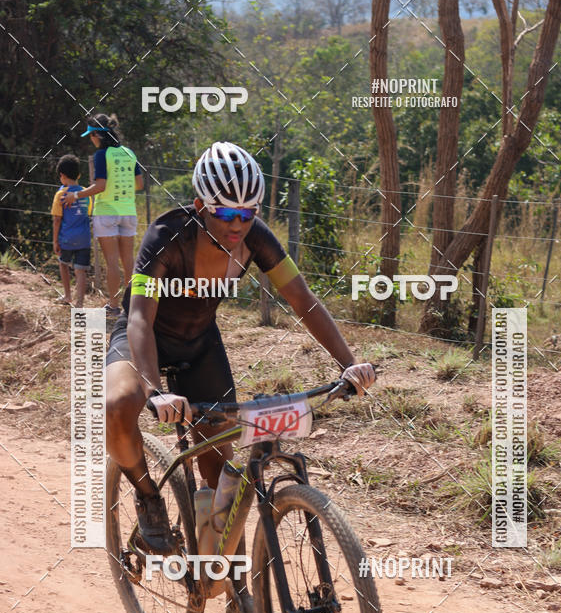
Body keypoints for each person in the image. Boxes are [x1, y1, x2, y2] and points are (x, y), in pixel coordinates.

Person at [106, 141, 376, 555]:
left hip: (198, 344)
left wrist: (350, 364)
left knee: (219, 475)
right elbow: (140, 317)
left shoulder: (257, 240)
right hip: (143, 340)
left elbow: (303, 300)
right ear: (200, 205)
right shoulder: (166, 236)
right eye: (227, 213)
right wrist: (154, 388)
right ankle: (148, 498)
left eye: (248, 213)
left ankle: (229, 576)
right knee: (117, 406)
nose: (238, 224)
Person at [62, 113, 143, 315]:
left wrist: (76, 195)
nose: (91, 140)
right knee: (129, 260)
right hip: (128, 212)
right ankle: (133, 306)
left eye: (91, 136)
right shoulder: (129, 153)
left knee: (112, 262)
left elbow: (100, 185)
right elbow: (140, 184)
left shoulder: (101, 155)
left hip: (106, 213)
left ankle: (114, 306)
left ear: (97, 135)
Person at [51, 154, 91, 307]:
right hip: (84, 239)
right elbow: (88, 213)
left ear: (62, 175)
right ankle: (79, 303)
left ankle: (67, 296)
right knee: (80, 271)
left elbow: (57, 220)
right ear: (78, 174)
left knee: (63, 264)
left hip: (66, 239)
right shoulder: (86, 193)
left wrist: (55, 241)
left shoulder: (60, 194)